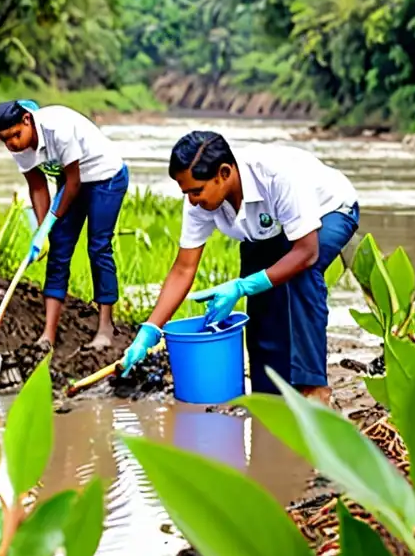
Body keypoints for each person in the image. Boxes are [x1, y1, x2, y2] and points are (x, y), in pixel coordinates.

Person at [121, 131, 359, 406]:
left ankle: (313, 390)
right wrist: (149, 329)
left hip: (329, 211)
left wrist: (242, 286)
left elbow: (306, 252)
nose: (192, 201)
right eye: (186, 193)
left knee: (302, 274)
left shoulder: (274, 177)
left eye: (196, 191)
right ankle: (267, 396)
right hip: (267, 230)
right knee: (262, 304)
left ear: (224, 173)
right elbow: (183, 269)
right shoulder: (198, 201)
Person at [0, 100, 129, 349]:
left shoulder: (58, 129)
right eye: (5, 140)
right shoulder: (16, 145)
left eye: (16, 135)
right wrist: (42, 230)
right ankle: (48, 334)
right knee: (58, 249)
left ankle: (105, 328)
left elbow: (73, 183)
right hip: (71, 182)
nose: (13, 143)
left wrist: (51, 219)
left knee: (98, 247)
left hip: (105, 177)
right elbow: (38, 186)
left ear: (27, 120)